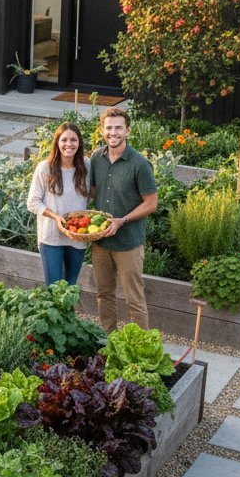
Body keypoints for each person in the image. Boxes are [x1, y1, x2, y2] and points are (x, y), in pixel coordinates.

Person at [88, 107, 158, 332]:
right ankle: (110, 342)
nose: (113, 132)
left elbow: (151, 203)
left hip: (128, 244)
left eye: (118, 127)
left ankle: (142, 349)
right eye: (108, 127)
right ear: (102, 130)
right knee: (104, 295)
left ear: (127, 130)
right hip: (101, 242)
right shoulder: (96, 158)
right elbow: (92, 192)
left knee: (134, 301)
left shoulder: (139, 163)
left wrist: (122, 221)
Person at [27, 122, 90, 286]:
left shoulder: (86, 165)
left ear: (79, 143)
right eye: (64, 140)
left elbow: (90, 195)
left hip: (77, 236)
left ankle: (69, 313)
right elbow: (32, 203)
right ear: (57, 143)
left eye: (73, 140)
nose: (69, 144)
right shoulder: (45, 168)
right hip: (51, 238)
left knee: (70, 288)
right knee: (54, 289)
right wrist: (56, 217)